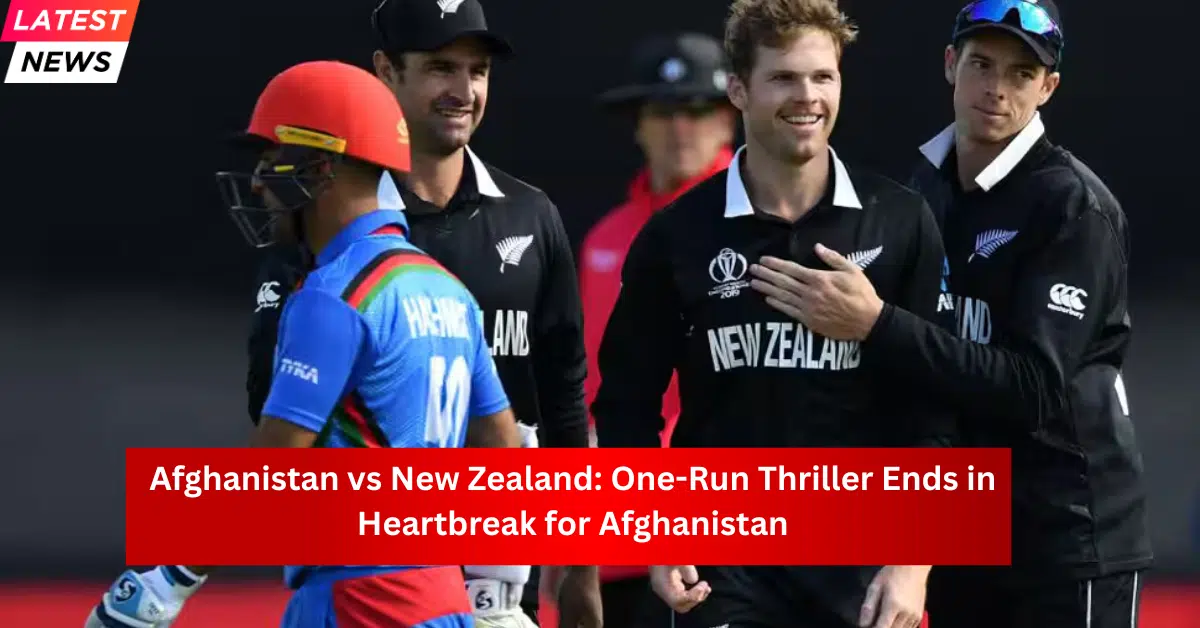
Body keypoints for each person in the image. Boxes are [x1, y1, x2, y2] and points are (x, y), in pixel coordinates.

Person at [746, 1, 1152, 626]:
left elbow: (1034, 389)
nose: (995, 88)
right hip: (960, 531)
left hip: (1066, 541)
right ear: (949, 65)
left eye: (1021, 73)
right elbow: (918, 371)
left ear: (1048, 88)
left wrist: (875, 323)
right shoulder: (925, 186)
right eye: (981, 64)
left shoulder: (1072, 208)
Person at [86, 60, 522, 628]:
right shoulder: (449, 291)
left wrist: (167, 582)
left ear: (323, 163)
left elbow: (271, 468)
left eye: (272, 159)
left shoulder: (333, 295)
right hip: (442, 601)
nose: (261, 182)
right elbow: (504, 452)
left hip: (357, 605)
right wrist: (492, 592)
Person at [591, 1, 955, 626]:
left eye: (823, 76)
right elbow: (625, 402)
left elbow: (940, 403)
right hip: (725, 569)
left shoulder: (899, 219)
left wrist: (912, 564)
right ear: (737, 88)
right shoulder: (677, 235)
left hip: (861, 569)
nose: (807, 96)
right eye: (784, 78)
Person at [245, 2, 600, 627]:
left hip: (492, 583)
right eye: (441, 68)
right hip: (374, 569)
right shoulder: (324, 223)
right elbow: (273, 405)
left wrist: (580, 564)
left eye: (478, 71)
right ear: (386, 71)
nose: (463, 91)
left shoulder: (530, 215)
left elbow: (561, 397)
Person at [582, 31, 735, 628]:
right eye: (664, 112)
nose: (680, 129)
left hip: (721, 530)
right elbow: (594, 387)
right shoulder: (605, 239)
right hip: (617, 531)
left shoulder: (760, 223)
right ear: (638, 125)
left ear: (729, 119)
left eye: (697, 111)